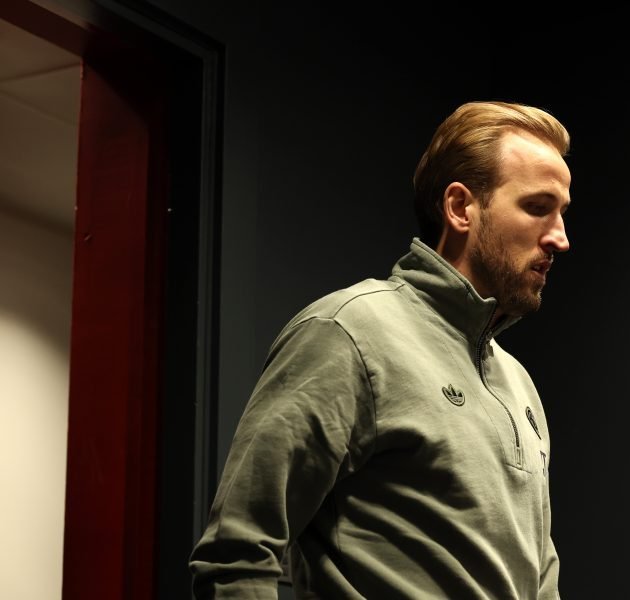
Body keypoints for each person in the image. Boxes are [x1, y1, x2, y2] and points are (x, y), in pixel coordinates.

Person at [189, 100, 571, 599]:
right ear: (460, 208)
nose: (560, 238)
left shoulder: (518, 383)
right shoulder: (347, 333)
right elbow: (237, 554)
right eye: (538, 208)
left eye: (562, 213)